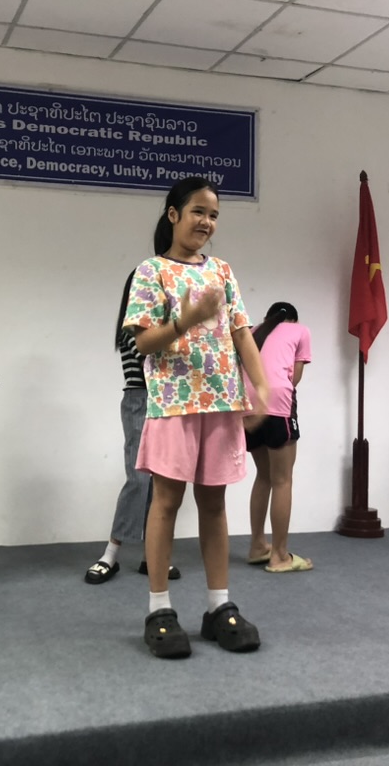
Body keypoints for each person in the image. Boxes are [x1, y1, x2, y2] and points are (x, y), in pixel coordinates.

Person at [125, 176, 269, 659]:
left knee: (214, 504)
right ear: (174, 215)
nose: (206, 222)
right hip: (174, 402)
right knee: (165, 502)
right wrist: (184, 319)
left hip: (222, 402)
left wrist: (262, 387)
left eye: (214, 215)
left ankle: (218, 606)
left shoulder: (222, 271)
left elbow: (242, 333)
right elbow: (142, 342)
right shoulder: (151, 271)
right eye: (198, 212)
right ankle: (159, 608)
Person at [84, 270, 181, 585]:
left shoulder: (156, 327)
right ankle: (110, 555)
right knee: (138, 481)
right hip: (140, 401)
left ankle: (151, 557)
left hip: (165, 405)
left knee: (159, 483)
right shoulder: (133, 328)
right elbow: (157, 360)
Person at [245, 302, 313, 573]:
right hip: (277, 404)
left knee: (263, 476)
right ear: (292, 319)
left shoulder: (252, 330)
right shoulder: (300, 330)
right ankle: (279, 556)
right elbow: (294, 378)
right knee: (283, 480)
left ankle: (257, 546)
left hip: (248, 407)